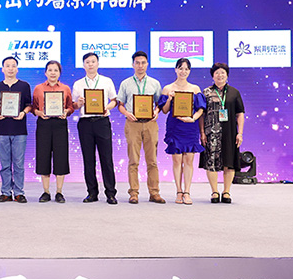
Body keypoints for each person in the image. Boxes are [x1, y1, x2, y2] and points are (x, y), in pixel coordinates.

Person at [116, 51, 165, 204]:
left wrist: (156, 112)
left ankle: (154, 192)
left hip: (150, 124)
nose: (140, 65)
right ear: (133, 64)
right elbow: (120, 105)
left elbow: (159, 104)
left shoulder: (154, 83)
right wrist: (127, 113)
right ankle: (133, 193)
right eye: (137, 62)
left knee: (152, 161)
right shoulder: (125, 83)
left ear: (147, 64)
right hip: (132, 124)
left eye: (143, 62)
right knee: (133, 160)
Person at [158, 58, 206, 205]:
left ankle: (187, 191)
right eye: (180, 68)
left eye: (186, 69)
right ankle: (178, 191)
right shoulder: (168, 88)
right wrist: (169, 99)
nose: (183, 71)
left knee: (189, 160)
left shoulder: (195, 89)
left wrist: (193, 118)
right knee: (177, 160)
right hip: (175, 127)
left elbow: (201, 109)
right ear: (176, 70)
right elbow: (164, 110)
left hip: (190, 127)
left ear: (189, 71)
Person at [72, 52, 119, 204]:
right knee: (88, 159)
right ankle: (92, 193)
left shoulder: (107, 81)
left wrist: (107, 108)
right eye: (87, 62)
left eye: (93, 61)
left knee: (106, 159)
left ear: (98, 64)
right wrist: (79, 104)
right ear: (83, 65)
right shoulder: (78, 84)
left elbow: (114, 100)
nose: (90, 64)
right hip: (85, 123)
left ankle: (110, 193)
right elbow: (73, 105)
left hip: (102, 121)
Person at [0, 56, 32, 203]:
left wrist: (23, 112)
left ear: (17, 69)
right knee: (5, 164)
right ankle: (6, 192)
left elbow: (29, 105)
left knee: (19, 164)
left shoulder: (24, 86)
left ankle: (19, 192)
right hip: (2, 130)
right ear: (3, 69)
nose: (11, 69)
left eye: (13, 66)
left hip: (20, 130)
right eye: (8, 66)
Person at [199, 62, 246, 204]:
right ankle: (214, 191)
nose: (220, 75)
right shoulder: (206, 92)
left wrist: (240, 133)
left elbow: (240, 114)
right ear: (212, 76)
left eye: (222, 73)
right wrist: (202, 132)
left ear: (227, 75)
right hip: (211, 133)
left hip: (230, 132)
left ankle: (226, 191)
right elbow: (202, 114)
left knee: (229, 162)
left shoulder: (234, 92)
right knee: (211, 162)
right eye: (217, 73)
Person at [32, 60, 74, 203]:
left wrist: (66, 112)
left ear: (59, 73)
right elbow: (33, 107)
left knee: (61, 157)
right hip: (43, 124)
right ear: (45, 72)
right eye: (50, 70)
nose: (52, 73)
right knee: (43, 156)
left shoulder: (65, 88)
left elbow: (70, 107)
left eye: (55, 70)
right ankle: (46, 192)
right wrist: (38, 112)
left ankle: (59, 192)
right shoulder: (38, 88)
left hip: (60, 124)